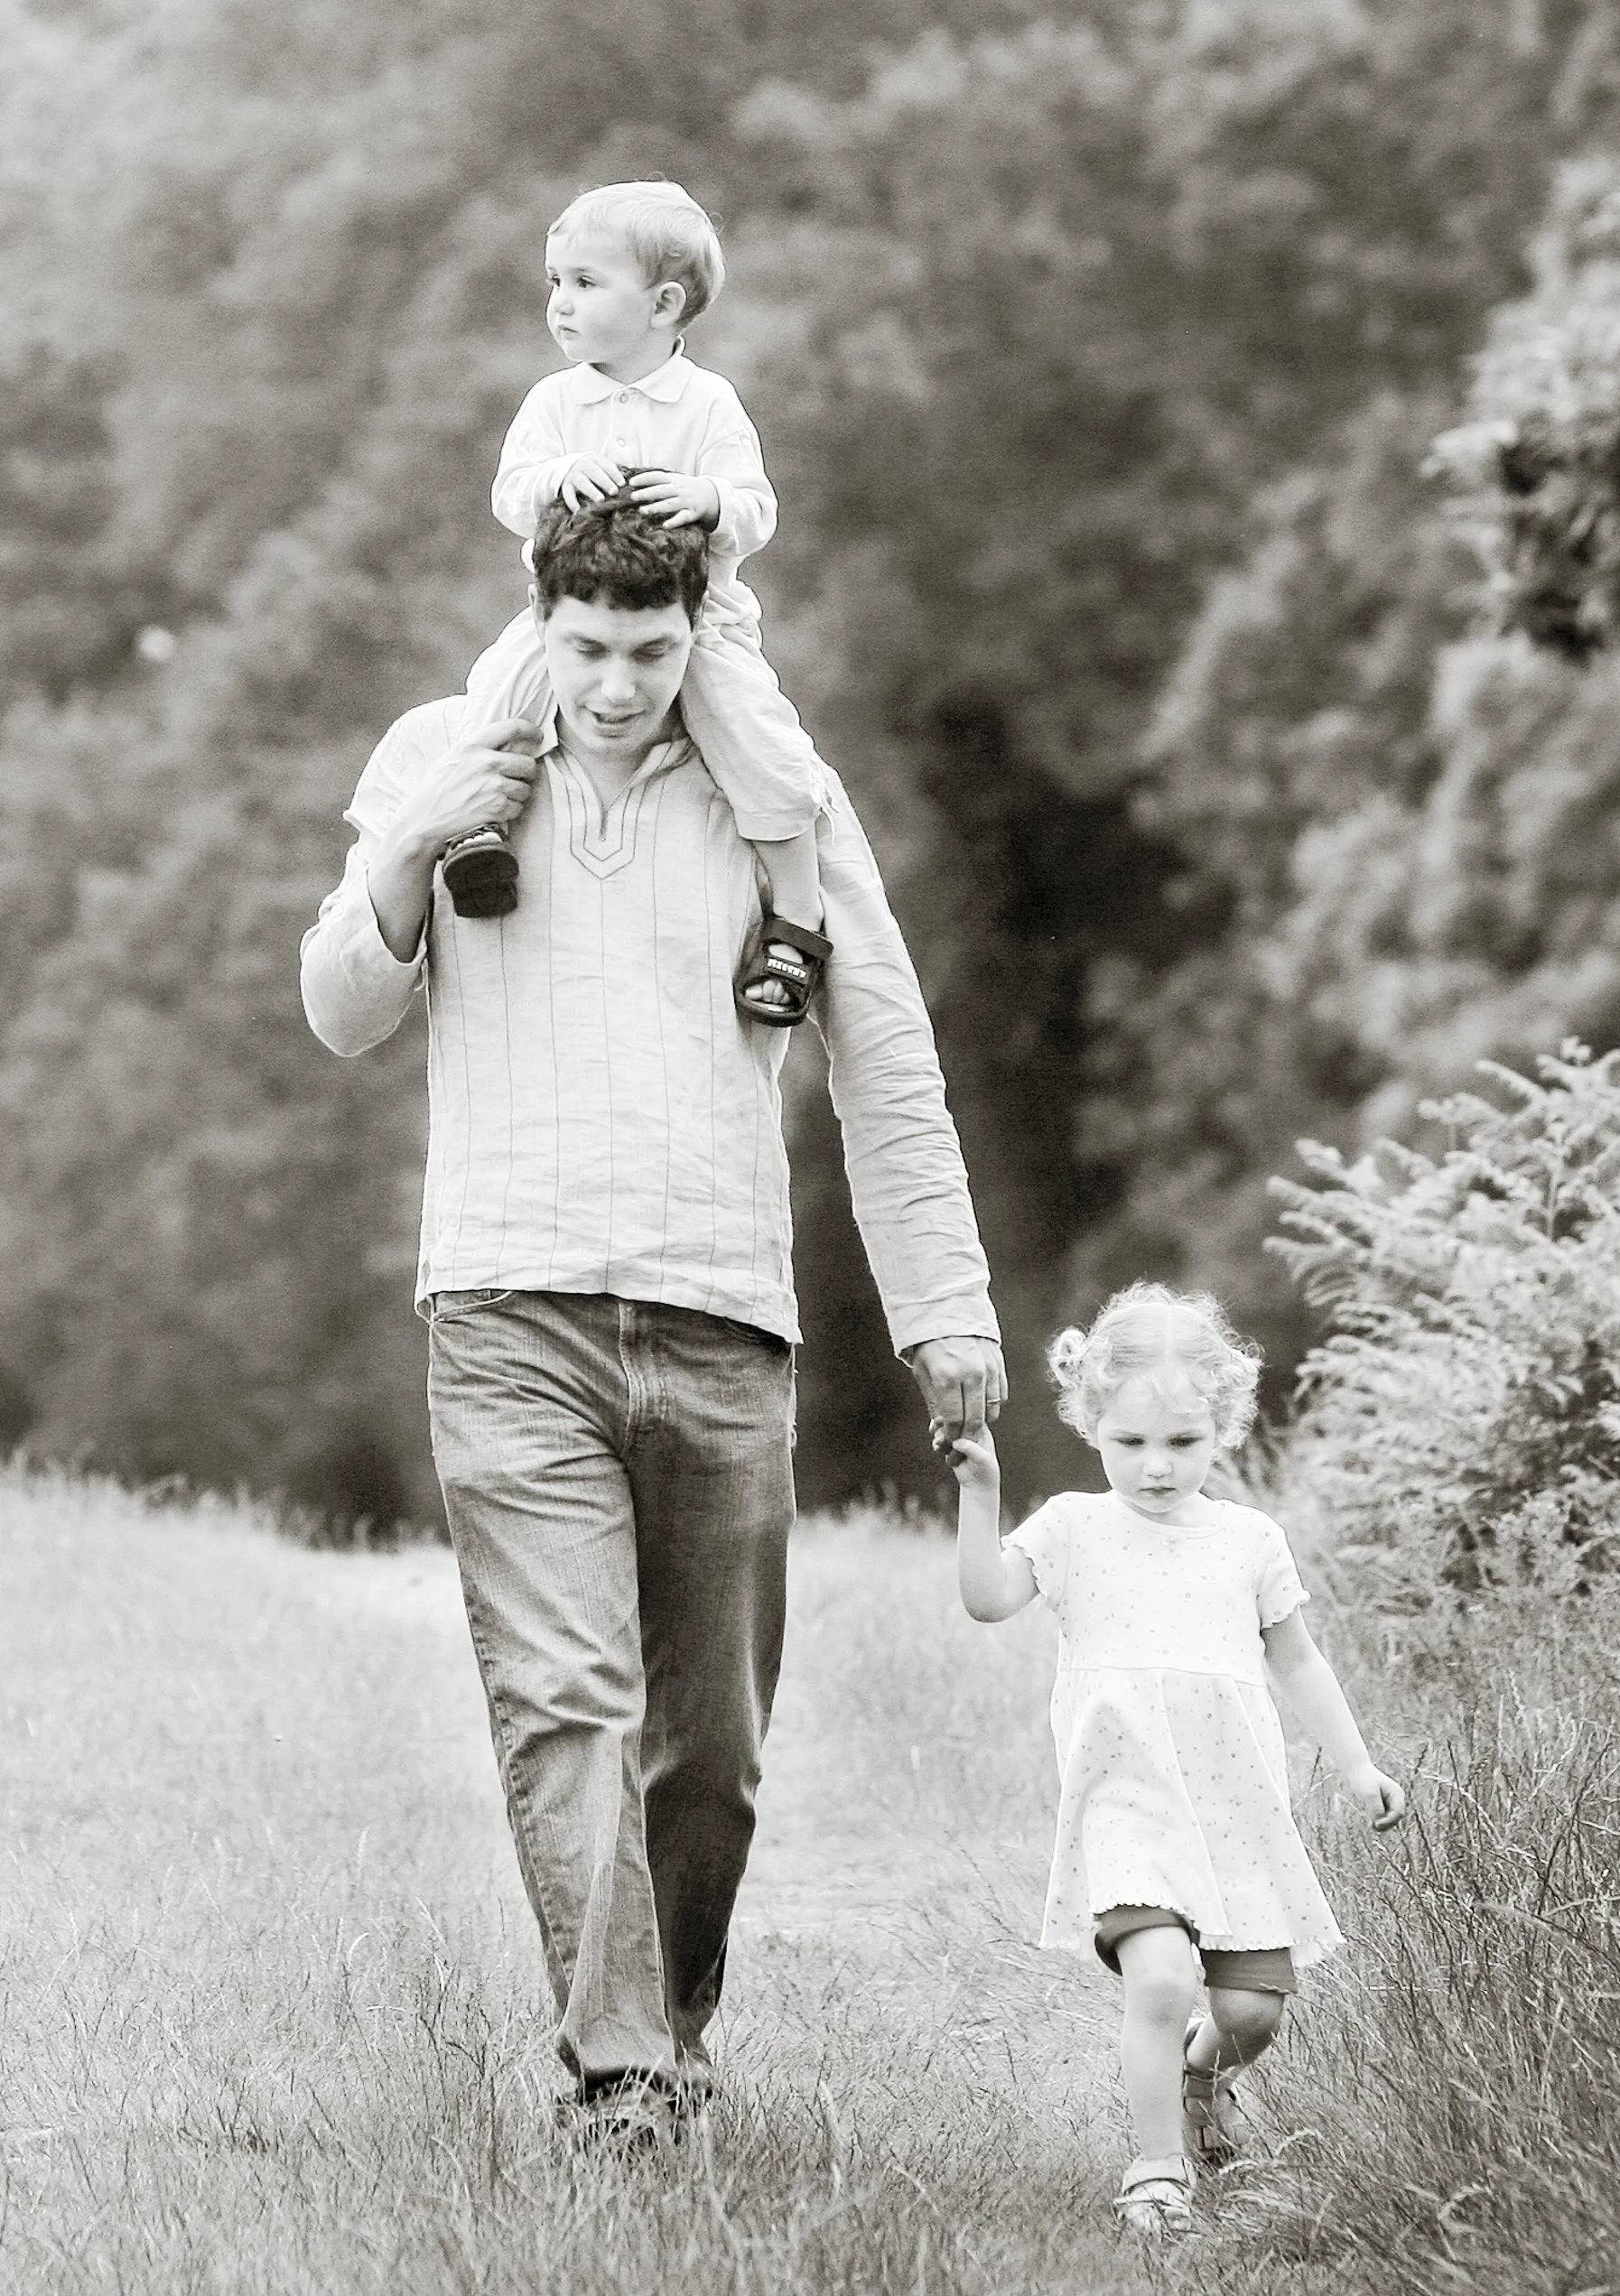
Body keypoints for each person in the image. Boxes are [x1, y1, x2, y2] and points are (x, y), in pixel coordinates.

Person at [299, 497, 1004, 2141]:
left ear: (706, 629)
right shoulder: (444, 757)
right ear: (539, 615)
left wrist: (947, 1307)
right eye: (590, 646)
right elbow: (341, 1009)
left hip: (719, 1310)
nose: (617, 686)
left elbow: (885, 1057)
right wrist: (416, 834)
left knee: (712, 1750)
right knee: (567, 1697)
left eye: (653, 649)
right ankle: (621, 2079)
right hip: (505, 1300)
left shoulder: (776, 801)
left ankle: (670, 2026)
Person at [948, 1283, 1404, 2236]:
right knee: (1159, 1978)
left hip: (1238, 1802)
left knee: (1248, 2009)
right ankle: (1157, 2168)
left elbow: (1298, 1658)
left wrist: (1357, 1763)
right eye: (1132, 1443)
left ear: (1225, 1428)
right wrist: (979, 1490)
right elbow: (990, 1598)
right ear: (1091, 1424)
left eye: (1183, 1444)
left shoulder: (1249, 1540)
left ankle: (1202, 2083)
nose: (1156, 1467)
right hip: (1128, 1799)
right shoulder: (1073, 1527)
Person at [442, 178, 830, 1029]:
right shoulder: (554, 402)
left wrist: (706, 499)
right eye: (554, 282)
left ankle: (797, 914)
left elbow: (756, 511)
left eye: (584, 283)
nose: (560, 304)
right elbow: (509, 493)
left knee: (761, 739)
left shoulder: (707, 403)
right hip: (570, 611)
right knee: (497, 687)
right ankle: (477, 833)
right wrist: (554, 479)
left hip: (696, 622)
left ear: (662, 304)